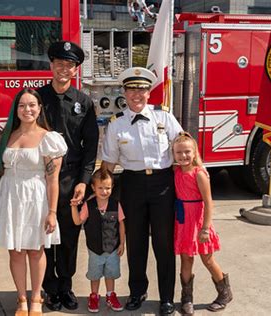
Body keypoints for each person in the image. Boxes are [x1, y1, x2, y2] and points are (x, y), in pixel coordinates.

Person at [101, 67, 182, 315]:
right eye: (132, 89)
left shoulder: (165, 118)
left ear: (150, 92)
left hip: (163, 185)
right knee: (135, 242)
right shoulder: (116, 124)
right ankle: (137, 292)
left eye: (143, 89)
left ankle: (167, 297)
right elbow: (108, 163)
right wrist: (101, 193)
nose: (137, 94)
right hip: (132, 185)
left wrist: (198, 176)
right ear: (124, 92)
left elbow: (183, 147)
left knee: (163, 243)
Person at [0, 88, 67, 316]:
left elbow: (53, 179)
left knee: (35, 250)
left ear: (39, 108)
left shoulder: (49, 138)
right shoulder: (6, 135)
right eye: (22, 105)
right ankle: (21, 298)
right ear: (16, 110)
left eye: (32, 105)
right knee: (15, 251)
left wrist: (52, 211)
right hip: (9, 196)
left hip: (36, 196)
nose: (27, 110)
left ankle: (37, 297)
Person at [38, 40, 99, 311]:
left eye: (69, 65)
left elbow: (90, 146)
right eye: (59, 63)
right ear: (51, 65)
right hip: (42, 180)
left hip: (72, 180)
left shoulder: (84, 102)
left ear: (75, 69)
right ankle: (49, 288)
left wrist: (84, 183)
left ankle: (66, 286)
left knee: (71, 238)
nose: (64, 69)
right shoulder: (37, 99)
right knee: (46, 236)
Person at [172, 131, 233, 315]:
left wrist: (206, 228)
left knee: (207, 258)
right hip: (183, 221)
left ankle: (225, 292)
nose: (183, 156)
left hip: (198, 222)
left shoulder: (199, 174)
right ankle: (187, 299)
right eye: (179, 153)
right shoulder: (175, 172)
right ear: (173, 155)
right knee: (185, 259)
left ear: (195, 152)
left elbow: (208, 202)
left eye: (187, 152)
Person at [70, 168, 125, 313]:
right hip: (94, 249)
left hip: (112, 248)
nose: (104, 191)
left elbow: (121, 224)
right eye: (100, 187)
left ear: (112, 187)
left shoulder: (116, 204)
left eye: (107, 187)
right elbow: (77, 222)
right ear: (93, 187)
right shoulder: (89, 205)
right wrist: (74, 207)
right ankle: (94, 296)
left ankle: (110, 295)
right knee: (95, 274)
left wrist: (122, 243)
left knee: (110, 273)